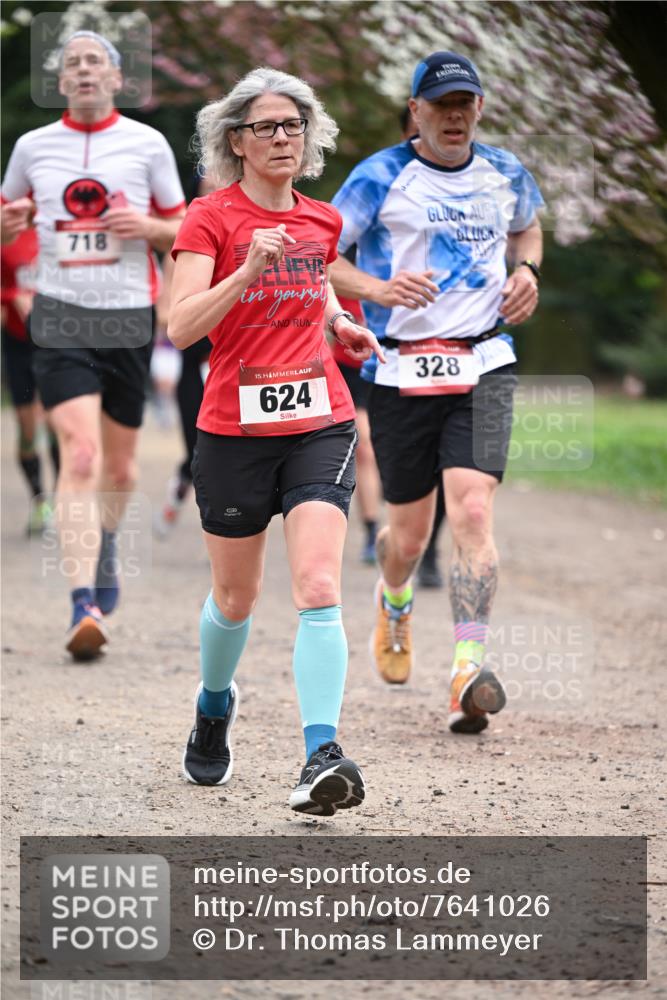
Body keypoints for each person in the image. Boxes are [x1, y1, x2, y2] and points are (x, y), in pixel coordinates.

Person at [168, 67, 384, 815]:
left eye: (294, 125)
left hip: (318, 418)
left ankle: (321, 751)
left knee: (319, 587)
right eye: (267, 126)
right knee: (235, 597)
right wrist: (244, 271)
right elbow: (180, 325)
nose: (284, 137)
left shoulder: (321, 220)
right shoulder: (209, 219)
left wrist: (339, 323)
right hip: (233, 430)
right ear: (237, 140)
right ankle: (214, 702)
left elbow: (317, 285)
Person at [330, 51, 543, 733]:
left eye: (464, 104)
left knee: (474, 509)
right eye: (440, 104)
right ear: (415, 110)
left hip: (483, 360)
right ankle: (393, 602)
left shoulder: (506, 171)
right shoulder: (380, 177)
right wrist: (377, 290)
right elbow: (323, 256)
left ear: (478, 108)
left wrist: (527, 269)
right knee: (409, 536)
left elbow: (527, 226)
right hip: (399, 370)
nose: (454, 116)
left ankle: (465, 670)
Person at [1, 31, 186, 660]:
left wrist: (150, 227)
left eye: (95, 62)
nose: (83, 71)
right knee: (78, 457)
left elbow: (186, 230)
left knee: (120, 469)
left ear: (114, 78)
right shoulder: (32, 147)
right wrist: (8, 221)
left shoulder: (146, 143)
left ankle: (106, 544)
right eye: (73, 63)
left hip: (127, 317)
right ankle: (82, 602)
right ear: (61, 82)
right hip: (60, 316)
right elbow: (7, 215)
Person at [1, 217, 59, 534]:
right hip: (18, 343)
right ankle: (39, 501)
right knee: (26, 429)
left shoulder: (53, 223)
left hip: (53, 342)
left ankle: (65, 501)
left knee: (57, 421)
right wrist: (12, 297)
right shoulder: (5, 227)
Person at [329, 281, 382, 564]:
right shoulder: (340, 251)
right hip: (351, 369)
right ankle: (373, 529)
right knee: (364, 448)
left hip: (393, 366)